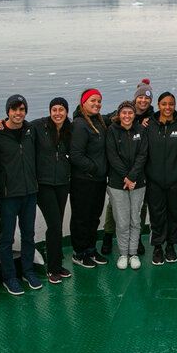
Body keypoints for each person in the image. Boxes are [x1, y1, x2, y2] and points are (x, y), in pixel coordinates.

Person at [0, 94, 42, 295]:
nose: (18, 113)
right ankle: (9, 277)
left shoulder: (31, 131)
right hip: (8, 195)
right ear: (7, 112)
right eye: (14, 110)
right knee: (7, 238)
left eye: (21, 109)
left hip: (30, 192)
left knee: (29, 234)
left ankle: (27, 271)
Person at [100, 78, 153, 256]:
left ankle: (136, 240)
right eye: (140, 98)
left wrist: (133, 176)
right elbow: (102, 118)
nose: (143, 101)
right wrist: (126, 176)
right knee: (113, 207)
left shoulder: (150, 118)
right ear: (135, 98)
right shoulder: (119, 117)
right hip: (119, 175)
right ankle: (108, 235)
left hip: (141, 172)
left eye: (147, 98)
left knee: (140, 207)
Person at [145, 91, 177, 265]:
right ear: (158, 105)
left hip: (175, 179)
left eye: (171, 104)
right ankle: (157, 247)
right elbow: (143, 152)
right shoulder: (149, 125)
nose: (168, 107)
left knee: (173, 214)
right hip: (154, 179)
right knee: (156, 214)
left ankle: (170, 245)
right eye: (164, 104)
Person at [106, 100, 149, 269]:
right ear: (119, 114)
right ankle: (123, 253)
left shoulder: (141, 130)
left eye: (130, 113)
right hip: (118, 183)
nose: (127, 116)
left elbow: (142, 155)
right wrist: (126, 177)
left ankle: (133, 254)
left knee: (135, 220)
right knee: (122, 221)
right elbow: (112, 156)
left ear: (134, 115)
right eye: (124, 113)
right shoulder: (112, 131)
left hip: (137, 182)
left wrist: (132, 177)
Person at [69, 89, 109, 268]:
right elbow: (76, 155)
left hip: (98, 180)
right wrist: (94, 168)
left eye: (99, 101)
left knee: (94, 217)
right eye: (93, 101)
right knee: (81, 218)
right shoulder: (79, 124)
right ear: (83, 102)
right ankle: (79, 252)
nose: (96, 104)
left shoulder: (98, 121)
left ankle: (91, 249)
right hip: (83, 181)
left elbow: (115, 117)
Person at [36, 97, 73, 284]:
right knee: (54, 224)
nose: (58, 113)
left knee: (56, 225)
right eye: (55, 110)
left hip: (62, 183)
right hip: (44, 184)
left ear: (66, 112)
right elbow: (17, 126)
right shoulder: (39, 127)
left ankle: (57, 265)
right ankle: (52, 268)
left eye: (61, 110)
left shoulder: (70, 129)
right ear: (50, 111)